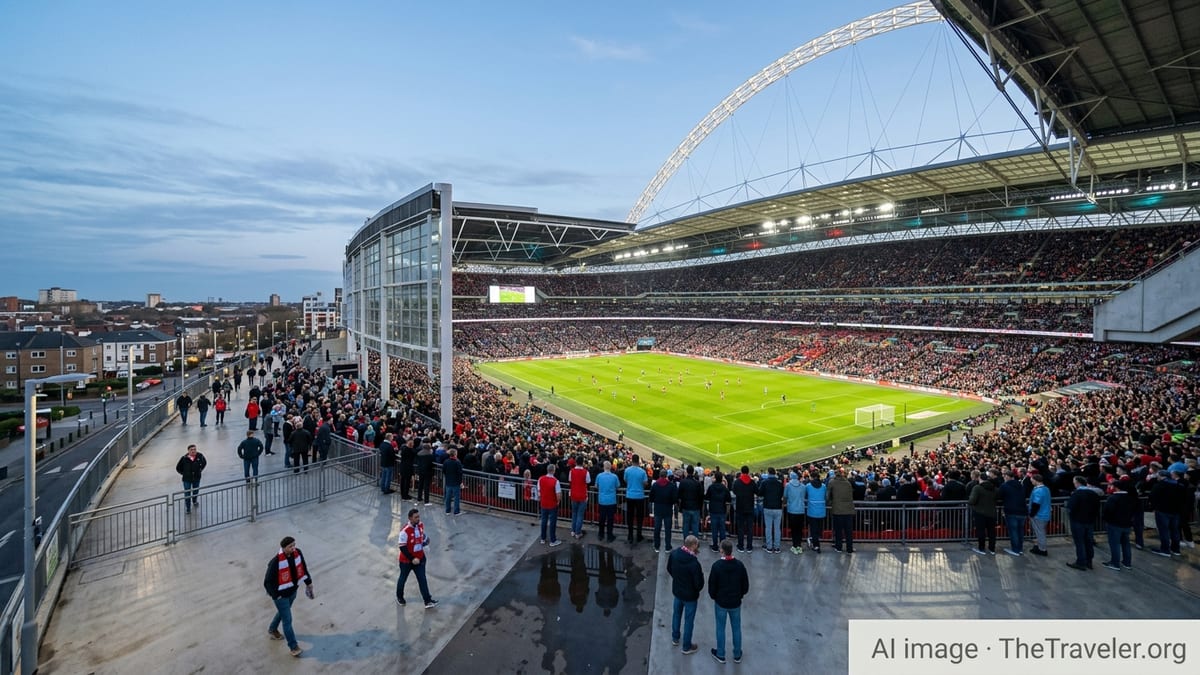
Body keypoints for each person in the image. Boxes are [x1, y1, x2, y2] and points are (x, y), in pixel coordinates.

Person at [263, 535, 314, 658]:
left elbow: (303, 568)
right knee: (287, 620)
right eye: (290, 546)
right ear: (283, 547)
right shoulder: (275, 562)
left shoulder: (298, 553)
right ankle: (293, 647)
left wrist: (309, 583)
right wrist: (277, 596)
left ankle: (272, 629)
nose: (293, 548)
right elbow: (267, 582)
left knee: (283, 613)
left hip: (292, 592)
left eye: (294, 545)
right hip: (281, 596)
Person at [708, 539, 749, 664]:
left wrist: (714, 597)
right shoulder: (740, 565)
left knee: (720, 628)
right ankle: (737, 654)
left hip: (721, 602)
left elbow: (712, 586)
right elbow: (745, 585)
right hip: (735, 602)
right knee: (736, 628)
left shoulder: (716, 566)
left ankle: (720, 653)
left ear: (722, 550)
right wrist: (740, 595)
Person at [666, 535, 704, 655]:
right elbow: (699, 584)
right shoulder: (694, 563)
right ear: (692, 546)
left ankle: (675, 638)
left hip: (678, 592)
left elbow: (669, 568)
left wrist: (677, 579)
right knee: (688, 621)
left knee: (676, 615)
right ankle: (686, 646)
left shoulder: (674, 554)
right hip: (690, 596)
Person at [396, 508, 438, 608]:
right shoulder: (404, 531)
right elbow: (402, 547)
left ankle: (427, 601)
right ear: (410, 518)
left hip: (420, 559)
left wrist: (425, 542)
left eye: (418, 516)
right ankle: (399, 597)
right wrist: (412, 559)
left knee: (422, 579)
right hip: (406, 561)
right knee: (403, 579)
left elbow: (420, 536)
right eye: (416, 517)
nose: (418, 519)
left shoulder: (420, 525)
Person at [1065, 475, 1101, 571]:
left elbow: (1069, 508)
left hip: (1078, 521)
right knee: (1088, 541)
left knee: (1080, 542)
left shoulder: (1077, 494)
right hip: (1089, 521)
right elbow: (1097, 508)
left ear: (1077, 483)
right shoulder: (1093, 494)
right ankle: (1089, 561)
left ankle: (1081, 562)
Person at [1102, 478, 1137, 571]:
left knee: (1115, 544)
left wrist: (1106, 520)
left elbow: (1107, 511)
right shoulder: (1130, 498)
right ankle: (1127, 562)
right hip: (1127, 524)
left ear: (1116, 488)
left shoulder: (1113, 498)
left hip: (1114, 524)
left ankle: (1115, 563)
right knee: (1126, 544)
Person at [997, 470, 1028, 556]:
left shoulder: (1004, 486)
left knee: (1013, 531)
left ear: (1007, 476)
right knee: (1020, 530)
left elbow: (999, 496)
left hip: (1011, 511)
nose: (1003, 477)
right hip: (1022, 511)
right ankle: (1019, 548)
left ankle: (1015, 550)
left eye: (1004, 476)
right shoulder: (1020, 485)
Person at [967, 470, 998, 554]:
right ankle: (992, 549)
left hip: (980, 513)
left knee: (981, 531)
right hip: (991, 513)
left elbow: (972, 501)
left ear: (979, 478)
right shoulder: (994, 489)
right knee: (991, 532)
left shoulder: (977, 488)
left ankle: (981, 548)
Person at [649, 469, 678, 553]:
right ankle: (667, 547)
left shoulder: (655, 485)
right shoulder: (671, 485)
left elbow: (651, 498)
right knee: (667, 529)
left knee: (657, 528)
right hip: (667, 510)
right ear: (666, 476)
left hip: (658, 509)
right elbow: (674, 499)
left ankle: (657, 546)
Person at [827, 468, 855, 554]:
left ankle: (838, 547)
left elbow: (828, 496)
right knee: (848, 531)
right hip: (848, 510)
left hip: (838, 510)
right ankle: (849, 548)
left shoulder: (832, 482)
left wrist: (831, 502)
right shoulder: (847, 483)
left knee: (838, 530)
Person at [730, 466, 757, 553]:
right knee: (750, 528)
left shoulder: (737, 482)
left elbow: (734, 491)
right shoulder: (752, 482)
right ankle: (749, 546)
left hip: (740, 507)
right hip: (749, 507)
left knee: (740, 528)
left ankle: (741, 546)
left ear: (741, 472)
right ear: (748, 472)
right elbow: (757, 491)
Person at [758, 468, 784, 554]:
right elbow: (781, 494)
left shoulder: (765, 482)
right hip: (777, 507)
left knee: (768, 528)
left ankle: (769, 547)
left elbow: (760, 493)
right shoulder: (779, 483)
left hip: (768, 507)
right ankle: (777, 547)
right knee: (777, 528)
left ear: (768, 473)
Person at [623, 456, 648, 545]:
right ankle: (638, 534)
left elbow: (625, 480)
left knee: (630, 516)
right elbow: (645, 483)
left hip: (630, 495)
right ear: (638, 461)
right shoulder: (642, 471)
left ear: (632, 460)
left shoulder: (627, 470)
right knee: (639, 517)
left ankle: (630, 535)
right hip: (639, 496)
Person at [175, 444, 207, 514]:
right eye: (191, 450)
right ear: (188, 451)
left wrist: (200, 470)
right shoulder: (184, 458)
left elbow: (204, 463)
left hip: (196, 478)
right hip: (187, 479)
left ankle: (194, 500)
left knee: (195, 491)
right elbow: (178, 468)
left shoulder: (200, 456)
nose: (193, 451)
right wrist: (184, 473)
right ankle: (188, 508)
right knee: (187, 493)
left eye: (194, 449)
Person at [538, 462, 563, 546]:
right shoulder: (556, 481)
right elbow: (558, 494)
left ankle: (543, 538)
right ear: (553, 471)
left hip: (543, 503)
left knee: (544, 521)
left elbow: (539, 491)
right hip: (552, 504)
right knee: (552, 522)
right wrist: (558, 501)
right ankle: (553, 540)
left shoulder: (540, 479)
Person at [677, 466, 704, 542]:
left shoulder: (683, 482)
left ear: (687, 472)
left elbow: (679, 495)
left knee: (686, 525)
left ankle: (686, 542)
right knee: (694, 525)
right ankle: (695, 543)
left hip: (687, 507)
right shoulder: (697, 483)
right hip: (694, 507)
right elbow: (701, 496)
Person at [1028, 472, 1051, 556]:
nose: (1031, 482)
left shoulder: (1038, 491)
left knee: (1040, 533)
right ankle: (1039, 546)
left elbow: (1036, 504)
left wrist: (1031, 514)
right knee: (1040, 532)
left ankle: (1042, 549)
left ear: (1035, 480)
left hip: (1039, 515)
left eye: (1032, 480)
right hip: (1045, 513)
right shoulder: (1046, 489)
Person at [705, 473, 730, 553]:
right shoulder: (724, 488)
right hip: (721, 510)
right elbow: (728, 499)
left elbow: (707, 497)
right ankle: (722, 546)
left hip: (714, 510)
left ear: (715, 478)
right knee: (722, 529)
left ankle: (715, 546)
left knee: (714, 529)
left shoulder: (711, 487)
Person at [595, 461, 619, 542]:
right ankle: (609, 535)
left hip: (602, 500)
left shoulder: (599, 476)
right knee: (610, 519)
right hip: (611, 501)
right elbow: (617, 486)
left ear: (604, 467)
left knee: (602, 519)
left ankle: (601, 535)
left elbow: (596, 486)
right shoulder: (614, 476)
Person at [783, 472, 806, 555]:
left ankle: (795, 545)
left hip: (792, 510)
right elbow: (804, 496)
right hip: (800, 510)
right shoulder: (803, 486)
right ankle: (799, 545)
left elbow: (785, 496)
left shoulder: (788, 485)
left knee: (793, 529)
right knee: (799, 529)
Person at [568, 457, 591, 539]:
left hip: (574, 495)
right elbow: (588, 481)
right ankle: (577, 532)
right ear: (582, 463)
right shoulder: (586, 472)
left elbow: (570, 480)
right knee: (579, 515)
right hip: (582, 496)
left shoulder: (572, 471)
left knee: (574, 514)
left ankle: (573, 531)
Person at [804, 473, 827, 553]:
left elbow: (805, 496)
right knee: (817, 529)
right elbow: (825, 497)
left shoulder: (808, 486)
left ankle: (816, 545)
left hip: (812, 511)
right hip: (821, 511)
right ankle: (815, 542)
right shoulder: (823, 486)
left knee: (813, 529)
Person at [443, 447, 463, 515]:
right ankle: (456, 511)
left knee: (448, 497)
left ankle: (447, 510)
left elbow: (444, 471)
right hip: (456, 482)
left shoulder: (446, 462)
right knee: (456, 497)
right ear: (455, 454)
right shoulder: (457, 462)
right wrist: (460, 482)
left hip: (448, 482)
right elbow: (460, 473)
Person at [416, 441, 435, 506]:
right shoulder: (429, 455)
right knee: (426, 486)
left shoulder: (419, 453)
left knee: (420, 485)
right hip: (427, 472)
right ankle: (426, 501)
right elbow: (432, 463)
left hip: (420, 471)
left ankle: (419, 498)